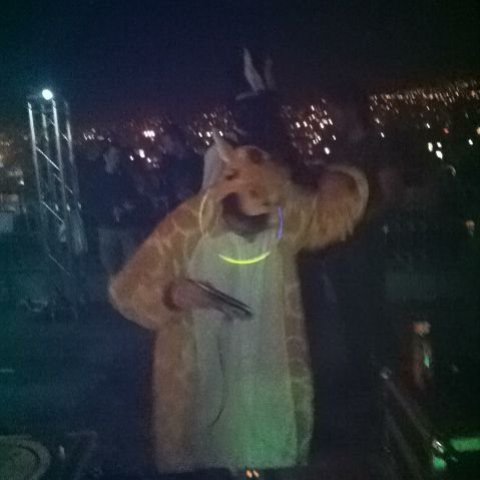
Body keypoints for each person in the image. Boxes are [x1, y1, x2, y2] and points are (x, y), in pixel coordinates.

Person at [109, 76, 369, 476]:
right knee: (209, 458)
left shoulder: (283, 218)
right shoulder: (187, 224)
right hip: (202, 384)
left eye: (270, 202)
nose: (264, 209)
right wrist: (171, 295)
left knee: (263, 453)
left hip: (267, 375)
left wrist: (336, 177)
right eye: (254, 200)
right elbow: (125, 291)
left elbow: (338, 210)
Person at [89, 143, 140, 278]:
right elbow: (93, 202)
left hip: (126, 226)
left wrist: (126, 207)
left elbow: (134, 197)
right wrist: (109, 211)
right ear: (106, 157)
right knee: (110, 266)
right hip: (107, 227)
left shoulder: (125, 177)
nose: (116, 159)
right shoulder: (97, 179)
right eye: (113, 155)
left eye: (118, 156)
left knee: (132, 263)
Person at [161, 124, 203, 211]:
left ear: (176, 141)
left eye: (166, 143)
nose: (165, 147)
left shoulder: (196, 162)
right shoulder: (172, 166)